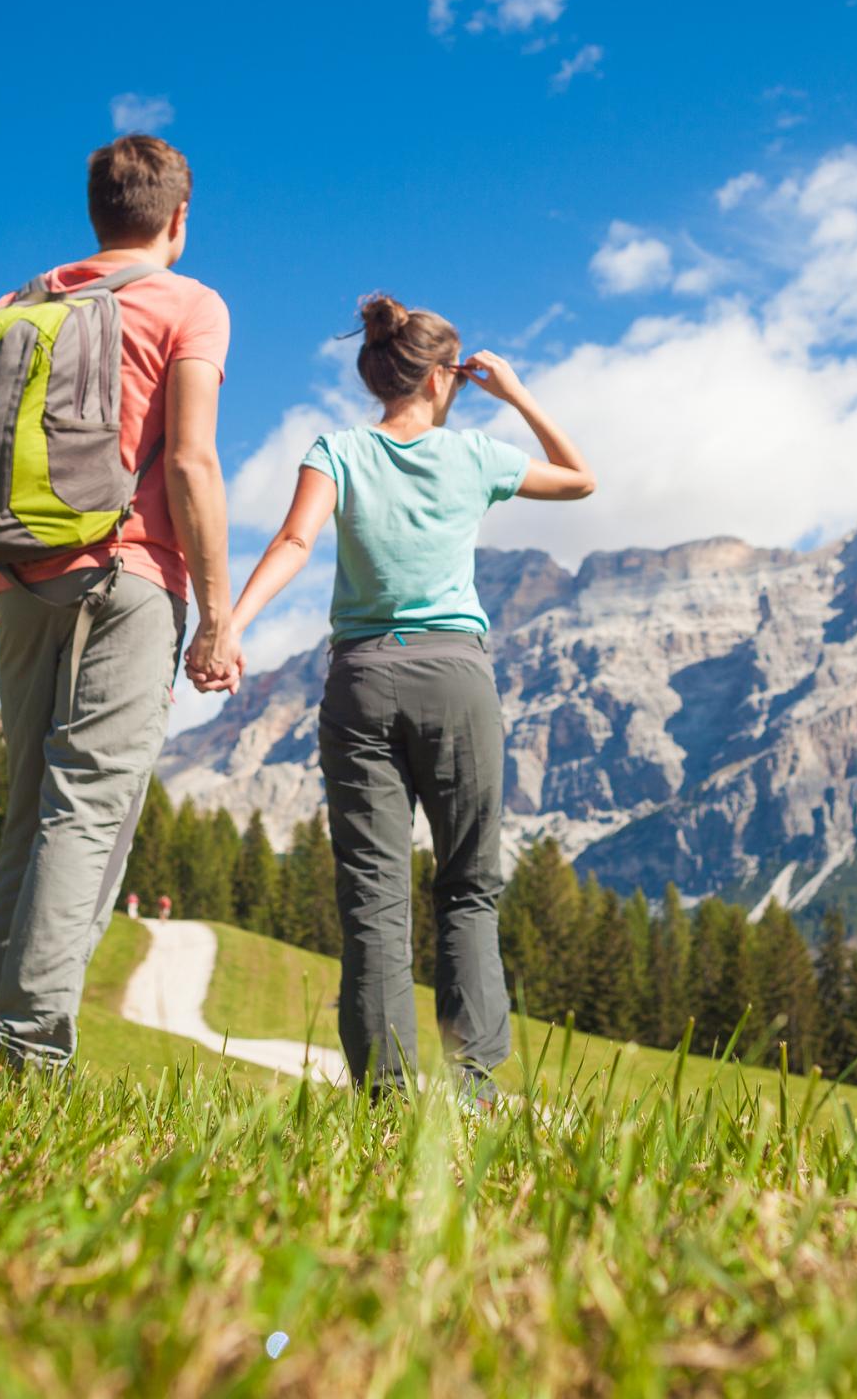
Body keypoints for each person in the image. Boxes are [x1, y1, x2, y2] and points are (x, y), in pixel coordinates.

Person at [0, 132, 241, 1068]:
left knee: (29, 817)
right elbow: (189, 459)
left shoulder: (20, 304)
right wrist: (216, 613)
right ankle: (26, 1054)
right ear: (178, 219)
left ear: (97, 214)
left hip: (19, 586)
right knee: (88, 810)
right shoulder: (189, 303)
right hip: (126, 580)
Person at [214, 294, 594, 1099]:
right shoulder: (475, 456)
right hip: (456, 677)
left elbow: (293, 541)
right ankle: (474, 1091)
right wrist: (518, 393)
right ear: (445, 376)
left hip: (360, 679)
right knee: (467, 883)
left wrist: (230, 625)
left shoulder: (338, 449)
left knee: (373, 896)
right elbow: (581, 480)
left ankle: (386, 1099)